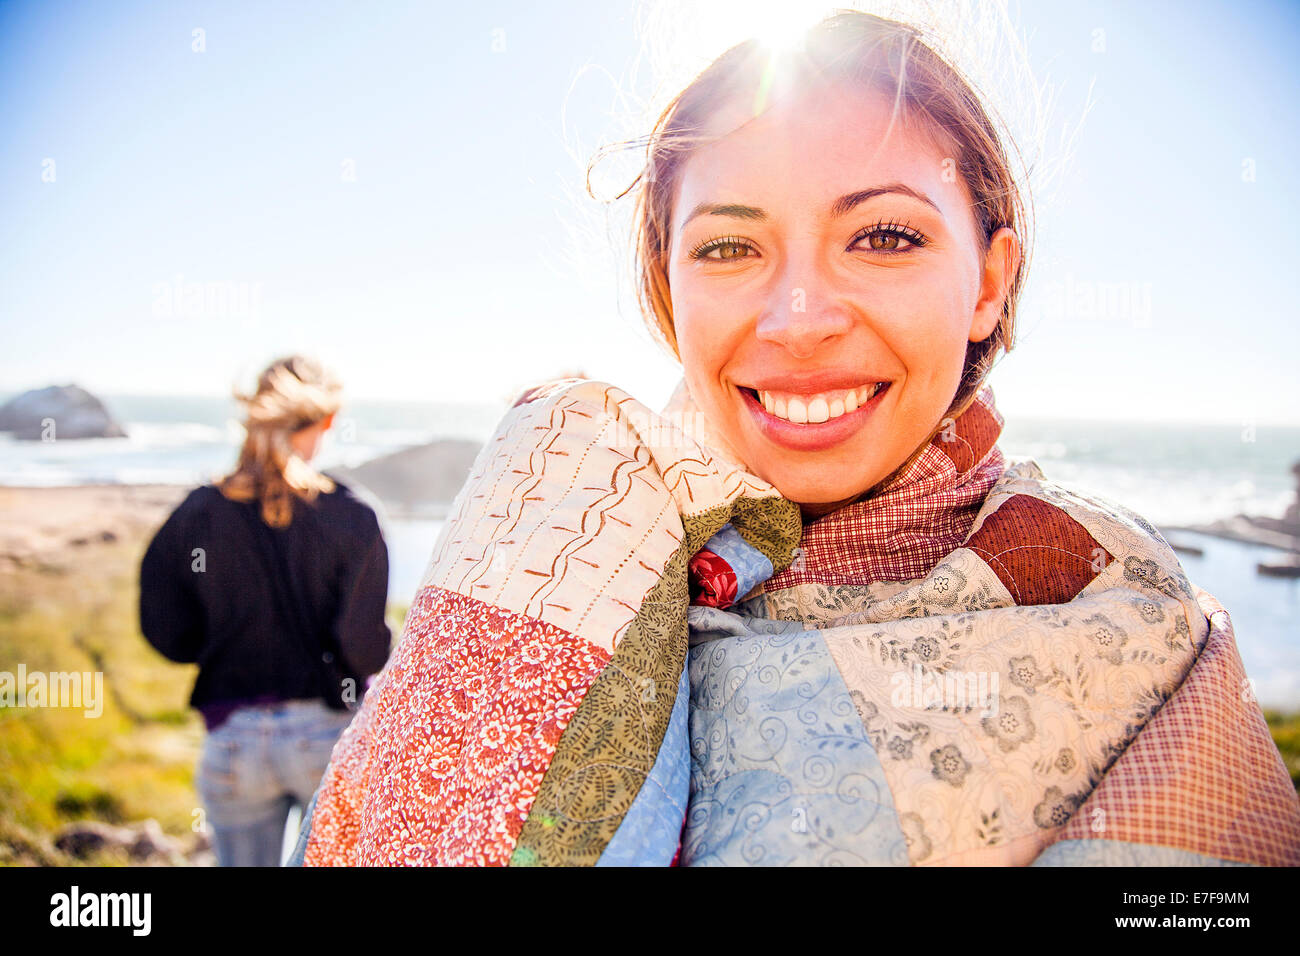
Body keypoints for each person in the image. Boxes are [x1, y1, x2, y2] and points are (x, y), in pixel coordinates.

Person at [293, 10, 1300, 866]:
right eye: (729, 246)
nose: (800, 317)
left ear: (988, 281)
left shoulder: (1125, 611)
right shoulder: (551, 531)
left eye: (885, 236)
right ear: (666, 290)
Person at [139, 354, 392, 866]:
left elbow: (165, 629)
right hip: (328, 738)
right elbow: (363, 648)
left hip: (233, 741)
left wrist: (216, 646)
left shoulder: (197, 512)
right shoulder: (352, 516)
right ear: (327, 421)